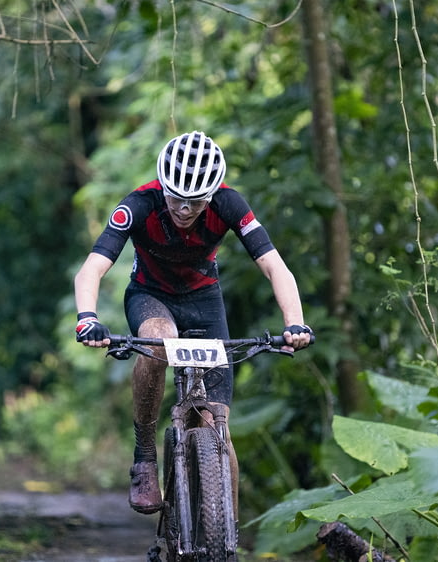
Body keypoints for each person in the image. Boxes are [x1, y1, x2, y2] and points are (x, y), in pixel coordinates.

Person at [73, 131, 312, 514]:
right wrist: (88, 318)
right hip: (150, 296)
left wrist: (295, 322)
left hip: (204, 301)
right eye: (176, 198)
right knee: (158, 341)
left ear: (212, 194)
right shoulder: (139, 205)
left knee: (216, 429)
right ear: (163, 185)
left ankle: (224, 540)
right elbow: (92, 269)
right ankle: (145, 455)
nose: (184, 209)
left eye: (196, 201)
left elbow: (273, 264)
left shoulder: (229, 203)